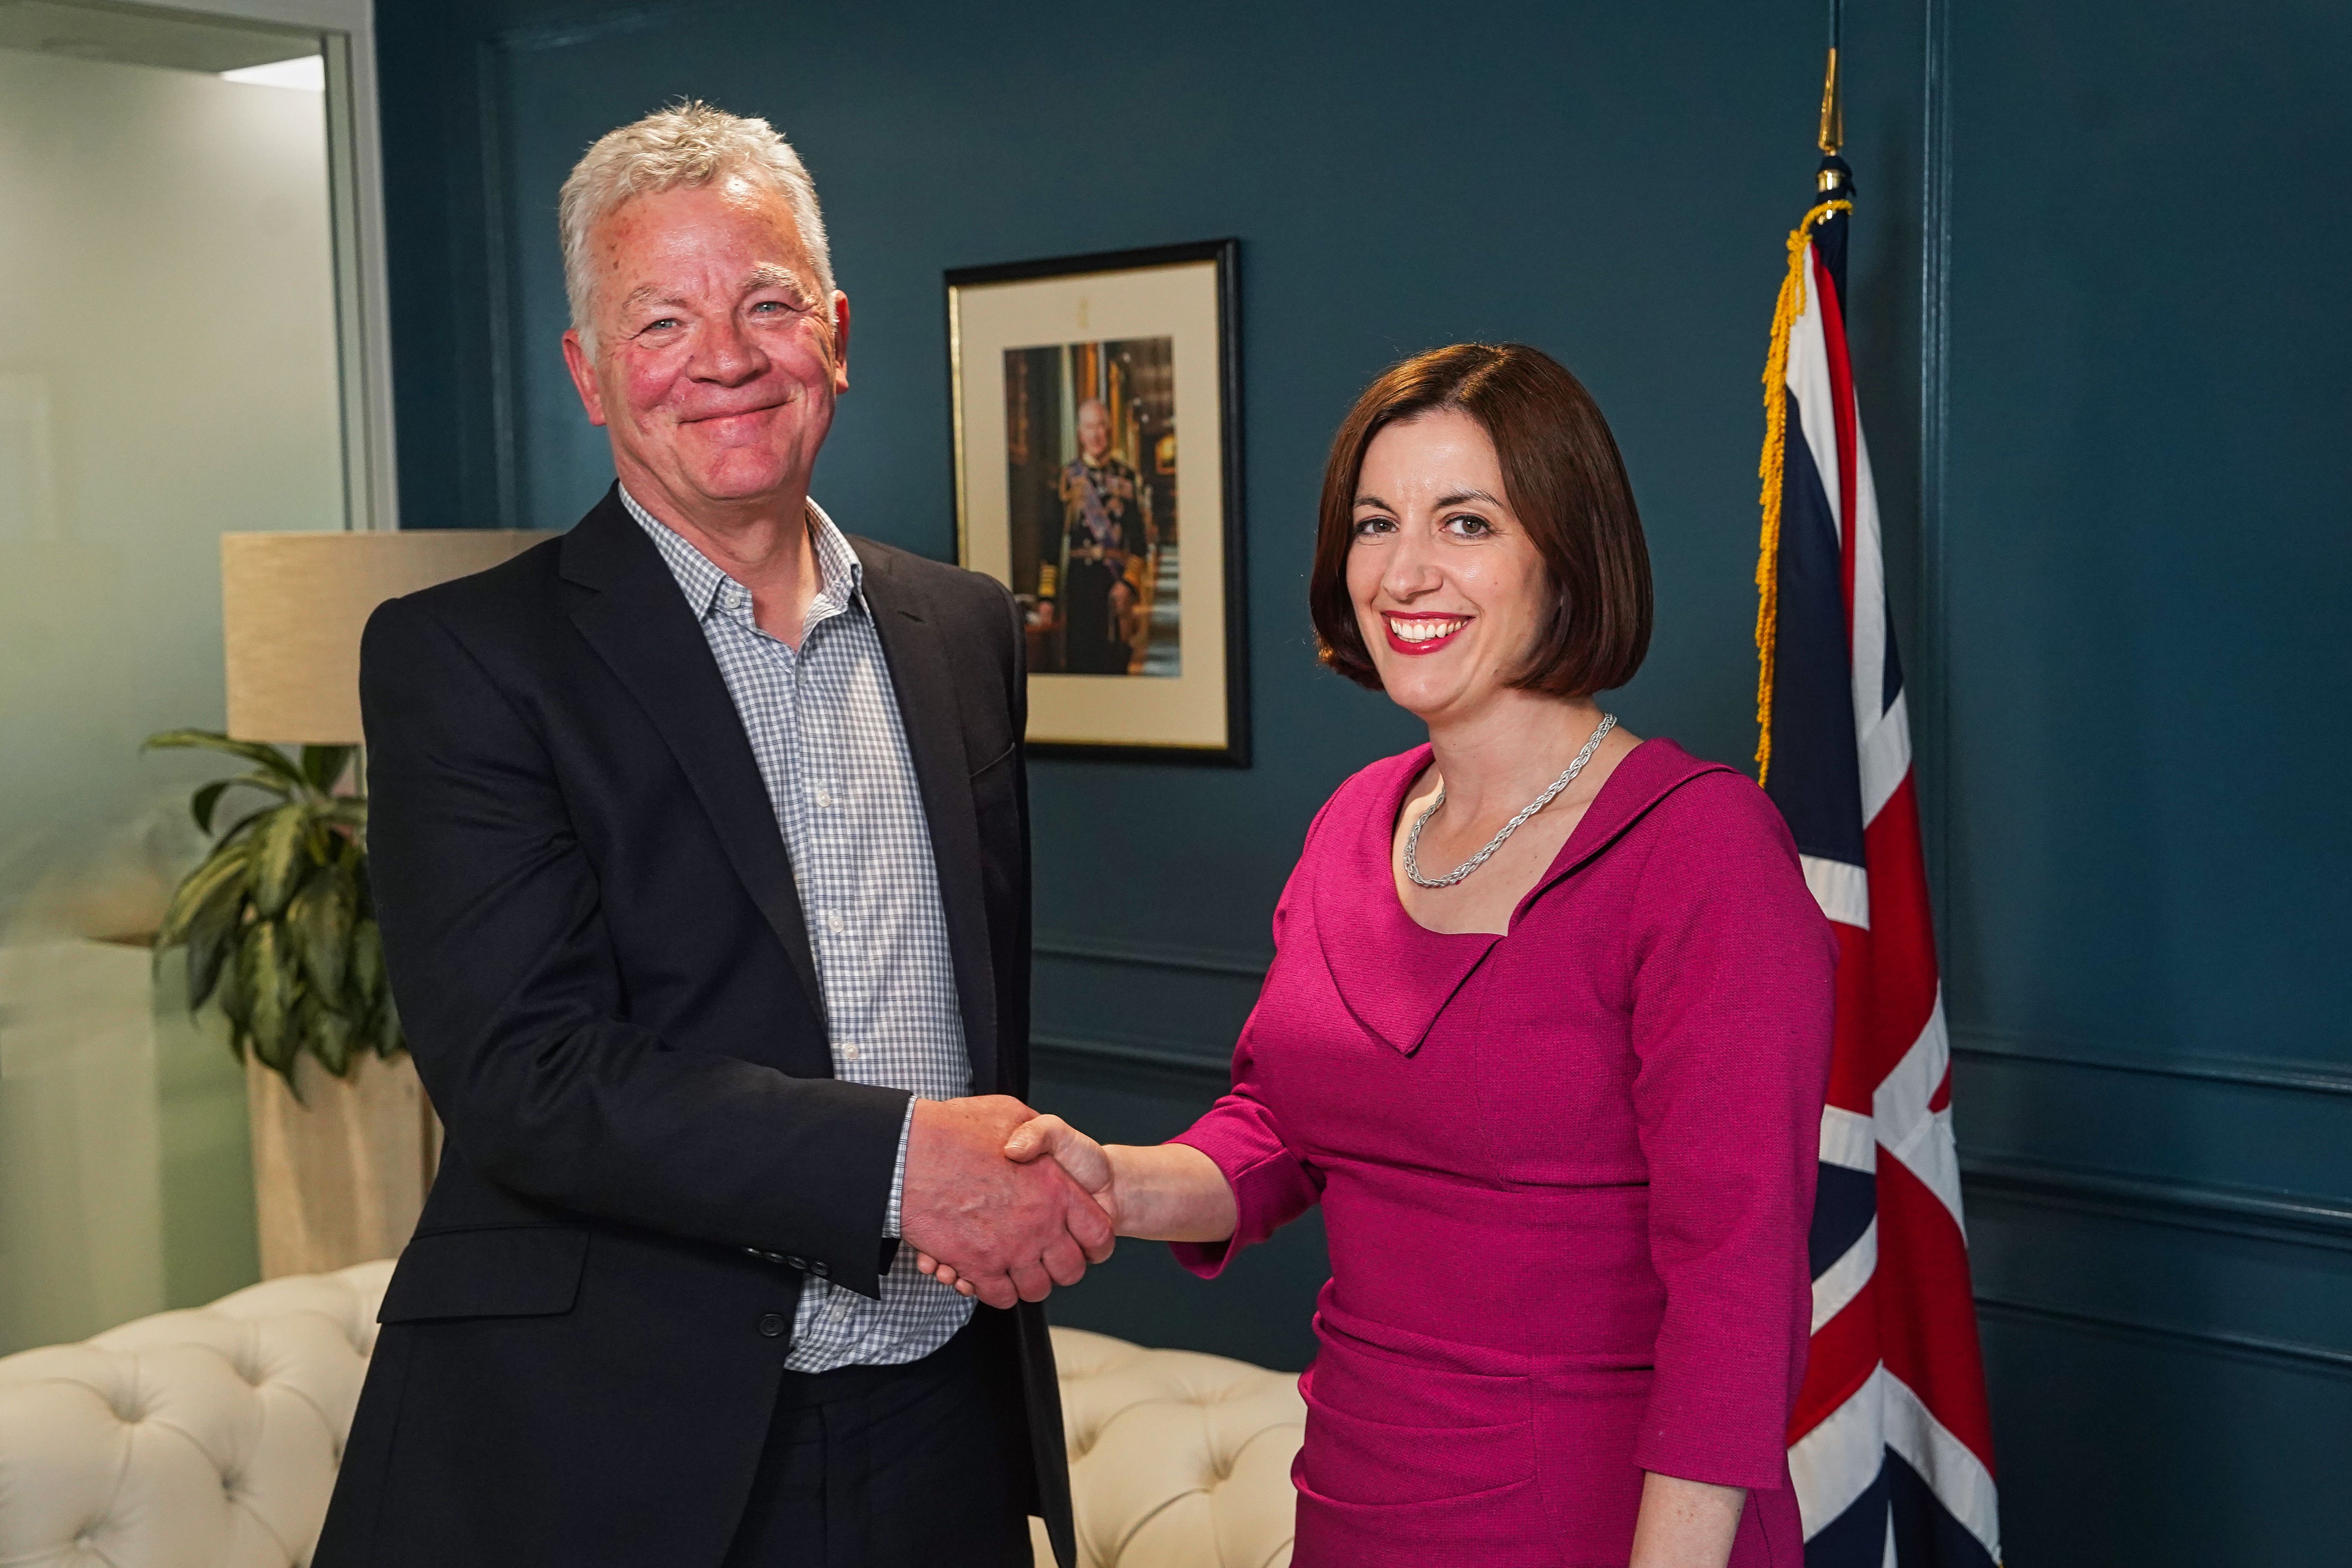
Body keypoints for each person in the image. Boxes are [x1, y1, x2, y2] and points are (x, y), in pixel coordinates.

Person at [313, 103, 1106, 1568]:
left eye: (765, 304)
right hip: (610, 1434)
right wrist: (895, 1165)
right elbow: (523, 1076)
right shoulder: (464, 657)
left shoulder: (964, 629)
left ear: (839, 333)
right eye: (662, 319)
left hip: (942, 1415)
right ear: (591, 374)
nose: (726, 359)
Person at [927, 343, 1837, 1566]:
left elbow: (1740, 1291)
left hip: (1605, 1513)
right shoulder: (1358, 818)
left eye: (1466, 522)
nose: (1405, 571)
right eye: (1374, 522)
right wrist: (1119, 1182)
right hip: (1357, 1489)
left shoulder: (1703, 847)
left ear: (1567, 555)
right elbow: (1281, 1123)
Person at [1034, 396, 1146, 673]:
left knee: (1115, 664)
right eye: (1089, 428)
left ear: (1110, 430)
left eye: (1101, 427)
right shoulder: (1067, 477)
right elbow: (1050, 543)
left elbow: (1140, 543)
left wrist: (1129, 585)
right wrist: (1046, 597)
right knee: (1080, 662)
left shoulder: (1127, 478)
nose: (1096, 435)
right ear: (1080, 434)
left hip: (1115, 587)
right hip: (1080, 588)